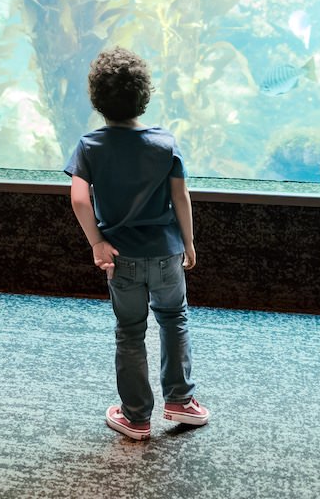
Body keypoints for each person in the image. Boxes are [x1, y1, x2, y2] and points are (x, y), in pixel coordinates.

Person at [65, 46, 209, 441]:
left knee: (129, 331)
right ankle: (180, 399)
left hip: (121, 259)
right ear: (144, 96)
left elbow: (79, 198)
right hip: (166, 253)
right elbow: (181, 197)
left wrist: (97, 242)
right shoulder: (165, 144)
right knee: (173, 319)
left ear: (97, 99)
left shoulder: (89, 146)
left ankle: (136, 417)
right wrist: (189, 243)